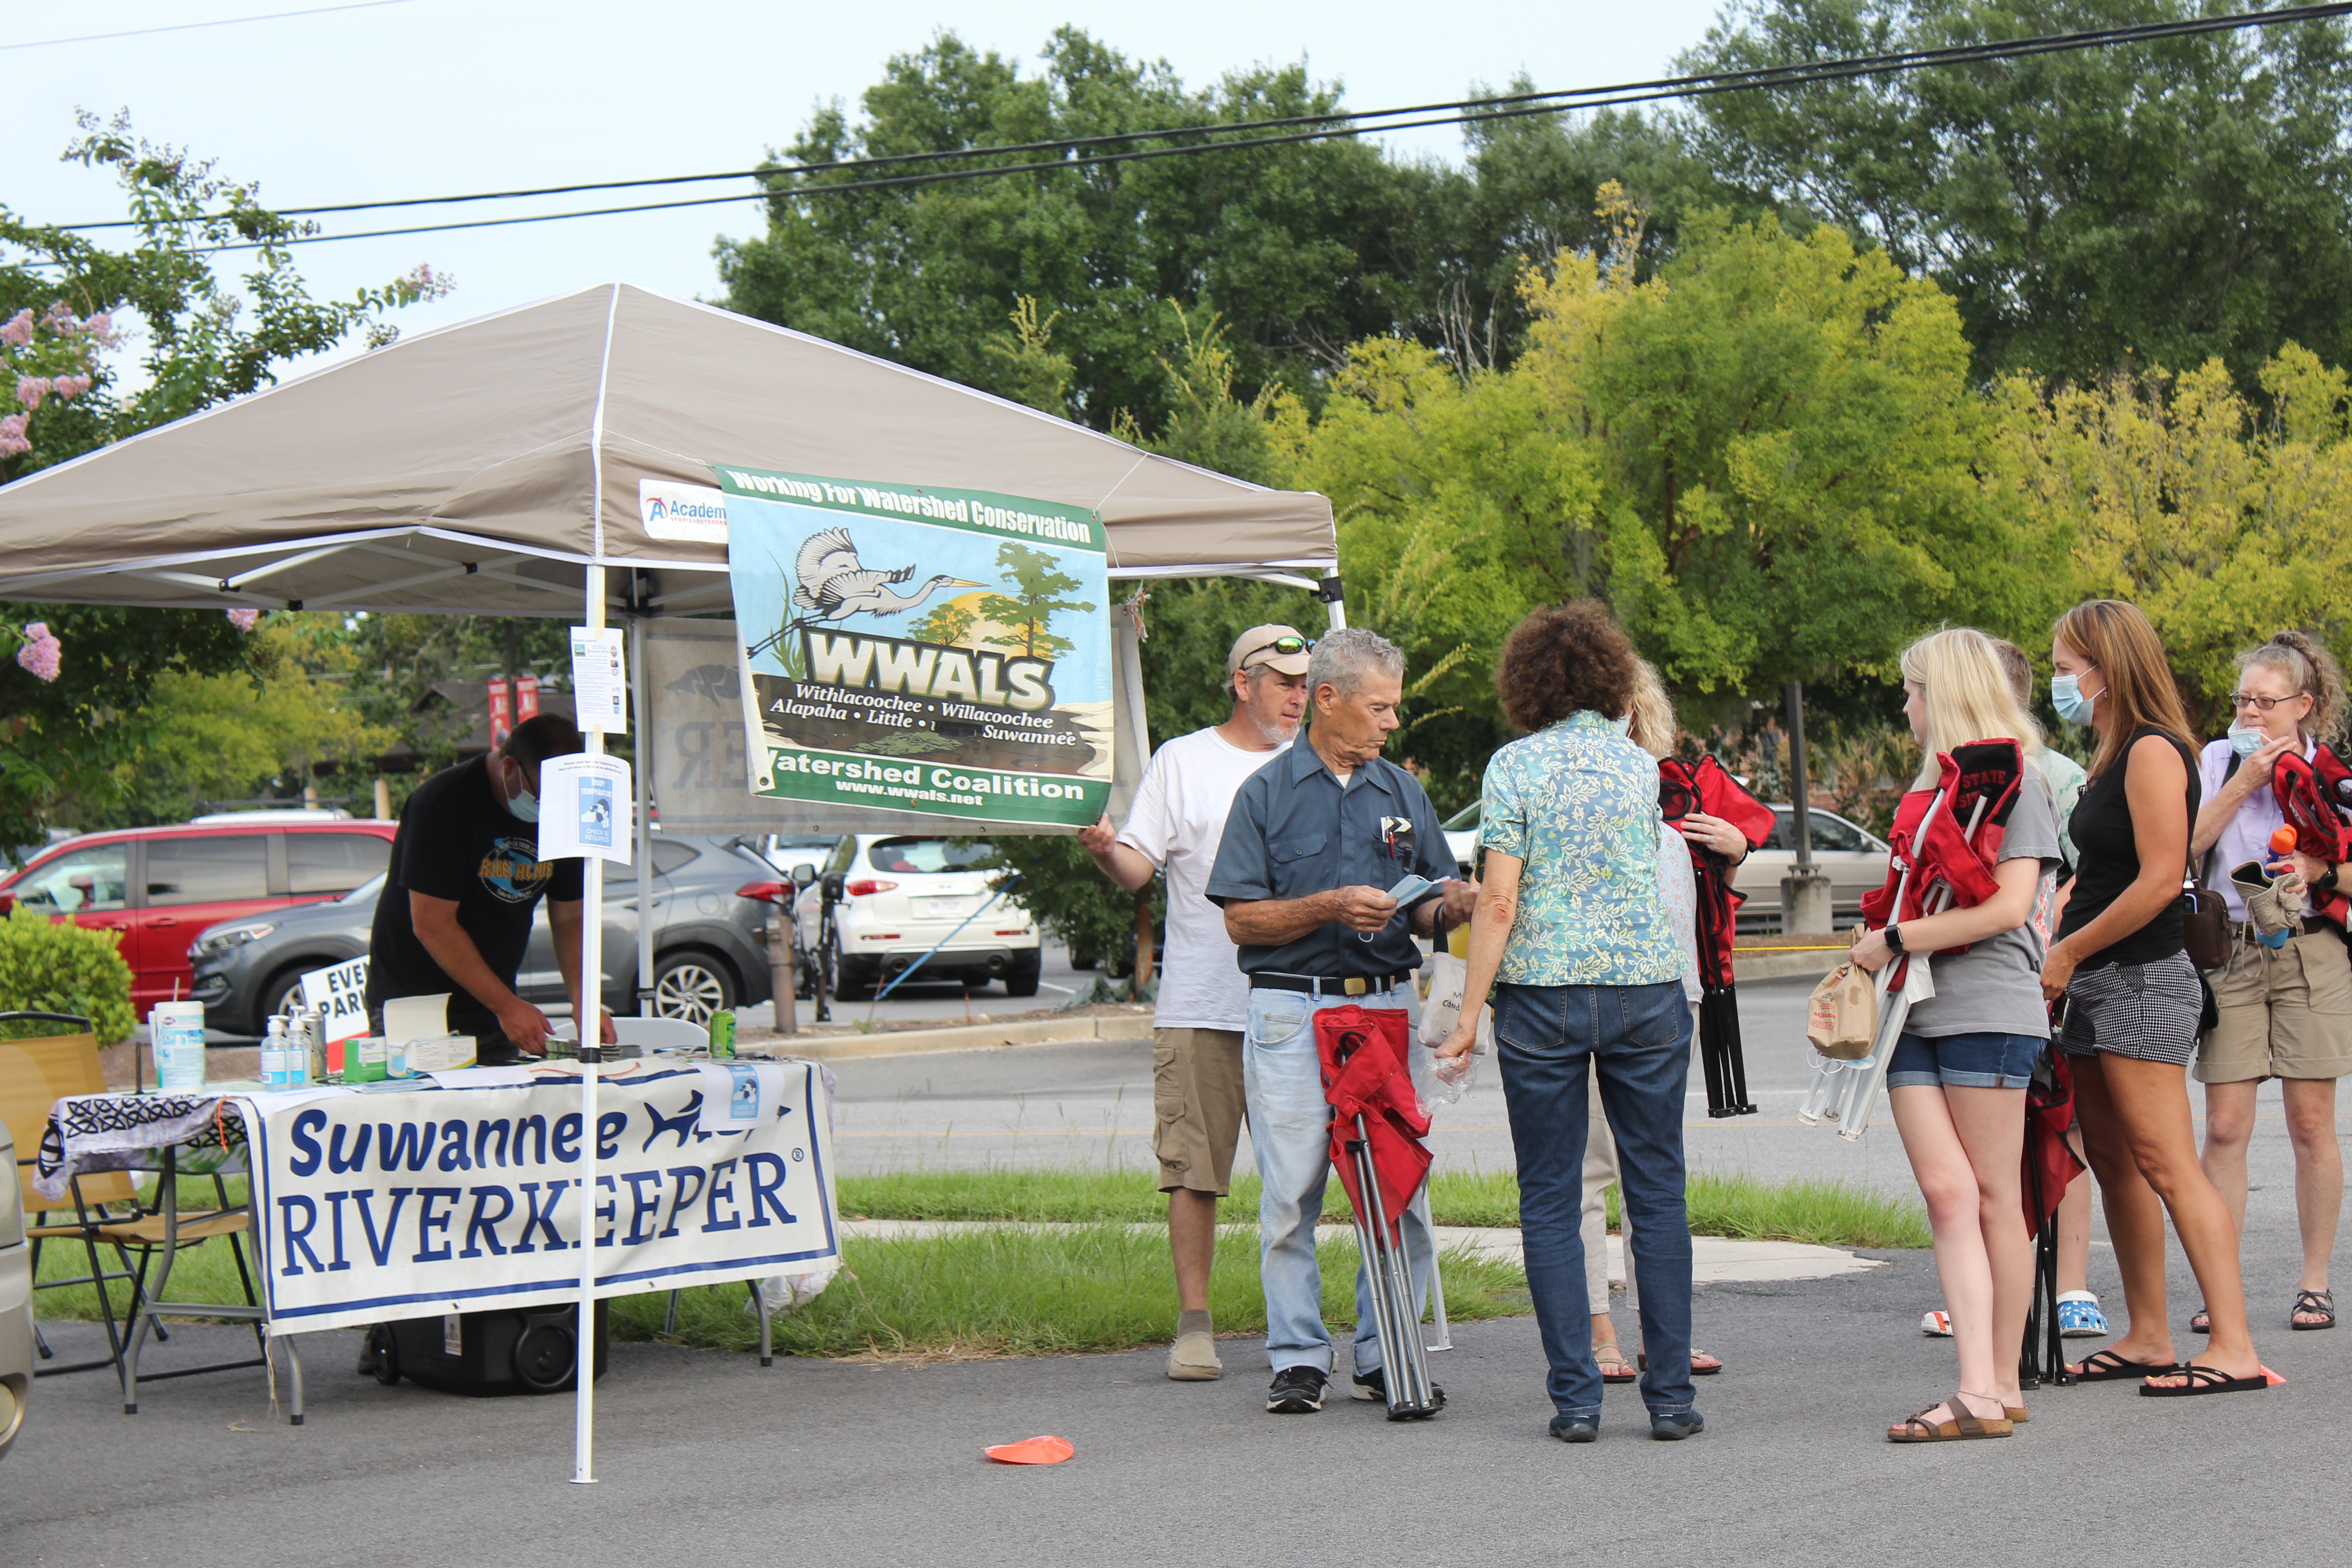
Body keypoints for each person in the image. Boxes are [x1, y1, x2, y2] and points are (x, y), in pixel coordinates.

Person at [1438, 601, 1701, 1444]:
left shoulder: (1511, 768)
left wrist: (1465, 1016)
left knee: (1550, 1195)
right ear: (1609, 678)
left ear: (1525, 683)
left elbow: (1499, 900)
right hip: (1642, 988)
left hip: (1543, 996)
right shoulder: (1636, 768)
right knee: (1654, 1189)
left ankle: (1576, 1400)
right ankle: (1670, 1400)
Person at [1206, 626, 1477, 1416]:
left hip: (1388, 1004)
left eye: (1395, 707)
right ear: (1327, 700)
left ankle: (1381, 1347)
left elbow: (1428, 900)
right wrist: (1327, 906)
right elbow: (1239, 922)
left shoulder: (1403, 792)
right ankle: (1296, 1356)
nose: (1391, 723)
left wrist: (1453, 905)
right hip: (1292, 1006)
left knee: (1399, 1188)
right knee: (1292, 1191)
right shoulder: (1263, 794)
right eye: (1379, 706)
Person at [1076, 624, 1310, 1382]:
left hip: (1298, 1002)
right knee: (1192, 1170)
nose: (1298, 697)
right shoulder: (1182, 760)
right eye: (1283, 682)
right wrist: (1104, 845)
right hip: (1202, 1003)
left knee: (1302, 1175)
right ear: (1242, 683)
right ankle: (1194, 1327)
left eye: (1306, 684)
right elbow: (1137, 870)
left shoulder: (1316, 763)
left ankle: (1300, 1331)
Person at [2044, 599, 2266, 1396]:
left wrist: (2066, 950)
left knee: (2167, 1162)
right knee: (2113, 1163)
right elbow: (2103, 871)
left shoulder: (2151, 751)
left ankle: (2232, 1344)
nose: (2059, 680)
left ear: (2107, 667)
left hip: (2137, 976)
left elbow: (2158, 882)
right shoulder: (2111, 752)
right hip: (2097, 977)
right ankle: (2147, 1333)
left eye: (2068, 665)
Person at [1847, 629, 2062, 1441]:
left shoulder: (2019, 783)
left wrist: (1896, 940)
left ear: (1943, 692)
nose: (1905, 706)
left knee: (1993, 1198)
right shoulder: (1925, 789)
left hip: (1986, 1006)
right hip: (1913, 1009)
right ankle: (1985, 1382)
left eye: (1912, 690)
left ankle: (1989, 1383)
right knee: (1946, 1193)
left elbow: (2009, 907)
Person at [2188, 631, 2352, 1335]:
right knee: (2225, 1126)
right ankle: (2220, 1289)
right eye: (2242, 699)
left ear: (2304, 705)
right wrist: (2245, 782)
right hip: (2231, 948)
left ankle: (2314, 1283)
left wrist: (2318, 873)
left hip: (2311, 949)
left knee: (2311, 1123)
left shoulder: (2334, 775)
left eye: (2265, 701)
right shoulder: (2217, 760)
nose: (2250, 712)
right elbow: (2187, 844)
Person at [1585, 659, 1742, 1386]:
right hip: (1584, 989)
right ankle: (1597, 1333)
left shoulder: (1672, 791)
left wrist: (1733, 852)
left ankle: (1663, 1334)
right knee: (1591, 1170)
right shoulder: (1568, 788)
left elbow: (1701, 897)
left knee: (1652, 1173)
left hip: (1671, 993)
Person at [367, 714, 614, 1064]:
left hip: (492, 1001)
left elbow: (570, 915)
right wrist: (507, 1006)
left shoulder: (566, 813)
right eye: (544, 798)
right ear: (510, 767)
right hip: (416, 1002)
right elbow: (433, 924)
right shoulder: (441, 804)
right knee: (429, 1114)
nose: (551, 811)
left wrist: (585, 999)